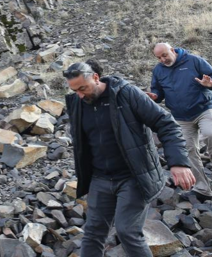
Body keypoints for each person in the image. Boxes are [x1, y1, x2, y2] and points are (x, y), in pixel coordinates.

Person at [64, 61, 195, 257]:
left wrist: (178, 163)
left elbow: (166, 124)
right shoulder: (77, 103)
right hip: (100, 178)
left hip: (134, 176)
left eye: (83, 88)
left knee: (127, 231)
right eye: (75, 91)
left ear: (96, 77)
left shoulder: (126, 94)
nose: (80, 95)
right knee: (92, 233)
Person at [146, 43, 212, 198]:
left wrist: (211, 84)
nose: (163, 59)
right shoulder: (158, 70)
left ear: (172, 50)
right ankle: (202, 188)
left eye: (164, 55)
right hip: (180, 116)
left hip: (204, 109)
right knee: (186, 149)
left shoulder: (194, 61)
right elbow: (158, 91)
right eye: (158, 57)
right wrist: (155, 96)